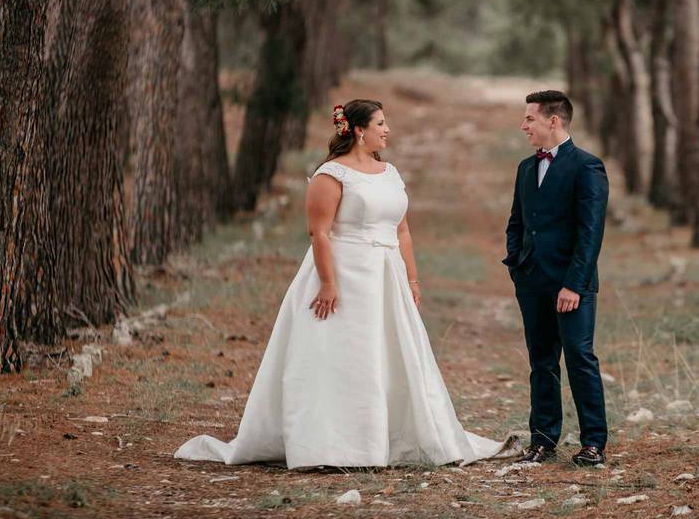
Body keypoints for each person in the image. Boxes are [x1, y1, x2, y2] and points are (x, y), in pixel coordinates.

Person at [175, 99, 503, 468]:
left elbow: (403, 230)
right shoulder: (331, 175)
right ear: (359, 130)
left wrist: (412, 278)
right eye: (381, 123)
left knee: (390, 354)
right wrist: (329, 284)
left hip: (387, 275)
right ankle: (336, 445)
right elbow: (319, 232)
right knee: (344, 355)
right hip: (346, 271)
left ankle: (391, 435)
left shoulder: (390, 172)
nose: (387, 129)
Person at [503, 90, 609, 466]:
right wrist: (516, 263)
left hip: (571, 285)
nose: (523, 125)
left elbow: (590, 232)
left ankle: (593, 443)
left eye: (529, 118)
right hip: (532, 280)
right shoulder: (525, 168)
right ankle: (543, 440)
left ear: (554, 120)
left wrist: (574, 284)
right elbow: (516, 222)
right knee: (541, 361)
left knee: (580, 358)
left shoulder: (587, 167)